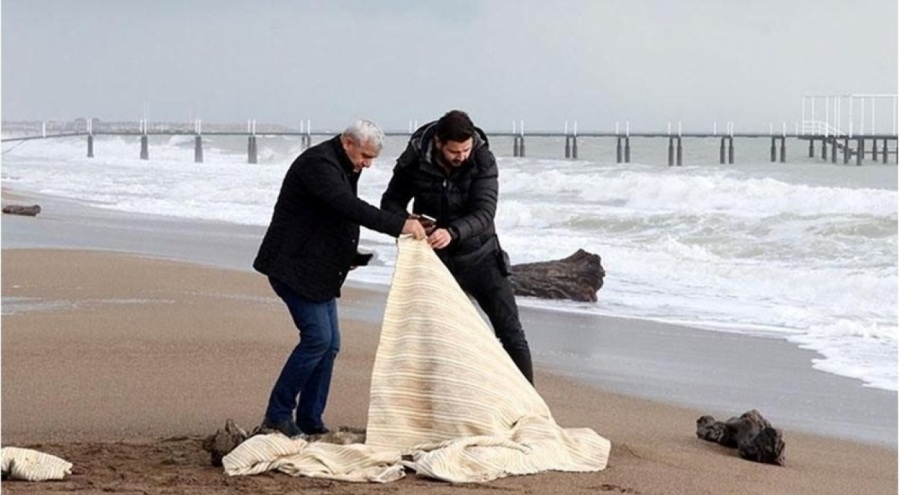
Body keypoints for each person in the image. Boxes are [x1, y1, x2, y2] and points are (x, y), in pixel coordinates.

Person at [253, 119, 427, 437]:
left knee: (330, 345)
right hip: (293, 266)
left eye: (372, 158)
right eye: (365, 156)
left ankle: (310, 419)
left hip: (319, 268)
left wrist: (350, 256)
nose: (368, 164)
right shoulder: (318, 165)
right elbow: (347, 207)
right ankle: (277, 415)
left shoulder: (346, 164)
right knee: (317, 340)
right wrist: (399, 225)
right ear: (347, 142)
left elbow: (332, 219)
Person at [380, 110, 534, 384]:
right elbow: (390, 202)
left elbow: (485, 213)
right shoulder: (414, 158)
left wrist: (452, 232)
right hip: (434, 261)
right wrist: (408, 221)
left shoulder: (483, 159)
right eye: (454, 151)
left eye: (466, 149)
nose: (461, 156)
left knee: (511, 333)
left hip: (481, 256)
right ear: (438, 142)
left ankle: (529, 401)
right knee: (436, 338)